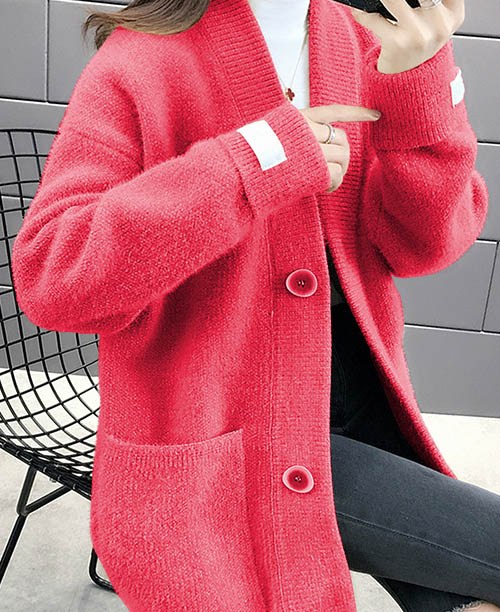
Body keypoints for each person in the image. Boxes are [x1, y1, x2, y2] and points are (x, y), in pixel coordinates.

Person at [11, 0, 497, 610]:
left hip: (360, 416)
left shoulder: (367, 41)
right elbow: (54, 277)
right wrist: (252, 162)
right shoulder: (142, 61)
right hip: (227, 440)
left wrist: (422, 83)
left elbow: (424, 246)